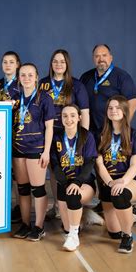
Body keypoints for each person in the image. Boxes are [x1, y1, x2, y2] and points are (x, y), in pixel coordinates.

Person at [80, 44, 136, 222]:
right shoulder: (87, 77)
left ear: (111, 57)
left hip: (112, 133)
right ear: (93, 58)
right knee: (98, 169)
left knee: (113, 166)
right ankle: (105, 203)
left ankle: (131, 209)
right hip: (93, 134)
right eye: (97, 56)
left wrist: (121, 129)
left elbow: (132, 103)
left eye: (104, 55)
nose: (101, 59)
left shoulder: (122, 77)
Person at [39, 49, 90, 221]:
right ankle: (57, 205)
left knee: (71, 166)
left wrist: (84, 136)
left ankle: (72, 203)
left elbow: (84, 112)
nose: (58, 64)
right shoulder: (43, 83)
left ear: (67, 64)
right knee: (54, 169)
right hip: (48, 132)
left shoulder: (76, 85)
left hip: (69, 132)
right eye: (55, 61)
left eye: (62, 61)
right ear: (51, 64)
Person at [12, 63, 55, 241]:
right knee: (22, 189)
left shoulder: (44, 98)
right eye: (23, 75)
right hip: (17, 148)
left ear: (36, 77)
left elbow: (49, 127)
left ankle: (38, 226)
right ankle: (25, 224)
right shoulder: (14, 97)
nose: (27, 78)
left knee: (37, 189)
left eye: (30, 75)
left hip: (36, 147)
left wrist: (46, 152)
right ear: (18, 77)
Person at [96, 95, 136, 254]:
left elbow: (135, 165)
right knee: (113, 232)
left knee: (120, 195)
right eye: (110, 108)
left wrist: (122, 181)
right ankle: (135, 214)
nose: (113, 111)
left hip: (130, 181)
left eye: (117, 107)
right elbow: (100, 164)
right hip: (108, 183)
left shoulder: (134, 135)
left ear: (124, 111)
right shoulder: (100, 135)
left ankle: (128, 236)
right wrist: (110, 183)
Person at [50, 105, 97, 251]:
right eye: (65, 116)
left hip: (84, 182)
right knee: (66, 226)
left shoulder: (87, 136)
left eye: (72, 115)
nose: (68, 119)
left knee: (73, 196)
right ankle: (85, 215)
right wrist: (65, 182)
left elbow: (90, 163)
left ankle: (74, 236)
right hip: (64, 183)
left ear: (79, 118)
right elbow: (55, 165)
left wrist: (77, 182)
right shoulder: (56, 137)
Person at [0, 51, 22, 222]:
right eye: (5, 62)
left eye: (12, 62)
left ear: (17, 64)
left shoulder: (23, 83)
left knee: (17, 173)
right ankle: (1, 206)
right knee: (0, 172)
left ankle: (18, 206)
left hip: (17, 133)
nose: (8, 65)